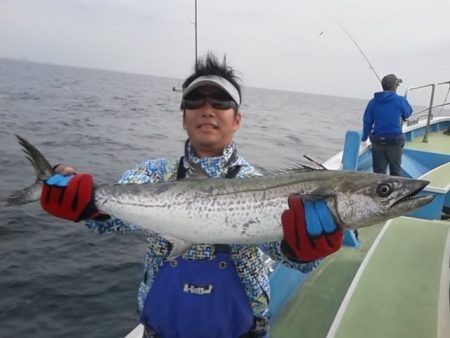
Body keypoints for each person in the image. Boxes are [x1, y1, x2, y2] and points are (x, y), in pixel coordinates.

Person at [39, 52, 343, 338]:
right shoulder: (154, 173)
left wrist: (303, 251)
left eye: (221, 101)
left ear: (237, 119)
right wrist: (87, 204)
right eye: (195, 100)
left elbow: (281, 252)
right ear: (183, 117)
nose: (207, 109)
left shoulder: (258, 184)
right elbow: (113, 220)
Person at [361, 74, 413, 176]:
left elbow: (367, 122)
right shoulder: (400, 100)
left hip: (377, 142)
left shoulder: (373, 102)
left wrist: (364, 137)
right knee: (396, 172)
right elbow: (408, 113)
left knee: (378, 173)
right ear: (395, 86)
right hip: (394, 141)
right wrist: (404, 101)